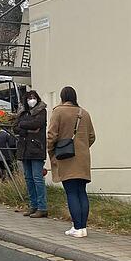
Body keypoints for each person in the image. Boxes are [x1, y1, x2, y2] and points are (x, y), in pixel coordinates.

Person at [47, 86, 96, 238]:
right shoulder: (84, 113)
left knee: (71, 192)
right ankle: (83, 227)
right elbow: (92, 136)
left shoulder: (58, 111)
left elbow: (51, 135)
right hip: (83, 158)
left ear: (62, 97)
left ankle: (76, 227)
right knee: (81, 192)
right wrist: (82, 146)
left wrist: (51, 149)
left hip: (66, 156)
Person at [14, 90, 48, 218]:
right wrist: (27, 129)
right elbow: (15, 127)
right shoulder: (23, 112)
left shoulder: (41, 111)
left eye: (33, 98)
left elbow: (37, 124)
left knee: (37, 178)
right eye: (29, 98)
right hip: (24, 149)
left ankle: (42, 207)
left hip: (36, 148)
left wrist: (23, 126)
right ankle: (33, 205)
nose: (31, 100)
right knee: (28, 178)